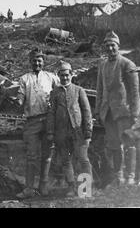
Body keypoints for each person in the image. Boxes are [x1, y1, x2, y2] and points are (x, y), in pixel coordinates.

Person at [95, 31, 140, 186]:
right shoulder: (102, 65)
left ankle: (131, 176)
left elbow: (135, 93)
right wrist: (98, 111)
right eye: (107, 45)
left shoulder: (127, 64)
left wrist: (134, 114)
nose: (110, 48)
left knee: (129, 144)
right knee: (114, 145)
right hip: (107, 113)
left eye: (112, 45)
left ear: (118, 46)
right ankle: (119, 175)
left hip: (124, 112)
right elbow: (100, 89)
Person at [15, 48, 60, 198]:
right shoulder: (24, 79)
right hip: (32, 121)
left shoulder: (51, 77)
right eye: (34, 60)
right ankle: (29, 188)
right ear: (30, 62)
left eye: (39, 60)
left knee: (47, 154)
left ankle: (43, 185)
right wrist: (18, 101)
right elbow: (20, 96)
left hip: (48, 120)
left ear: (43, 62)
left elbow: (60, 92)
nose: (37, 63)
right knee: (32, 155)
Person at [47, 61, 93, 197]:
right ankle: (71, 187)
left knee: (83, 159)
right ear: (58, 76)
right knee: (66, 161)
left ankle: (85, 189)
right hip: (61, 133)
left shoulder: (79, 90)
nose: (64, 78)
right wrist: (50, 131)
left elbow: (86, 111)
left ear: (71, 74)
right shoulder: (55, 92)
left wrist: (88, 131)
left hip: (77, 131)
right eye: (62, 75)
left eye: (67, 75)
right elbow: (51, 113)